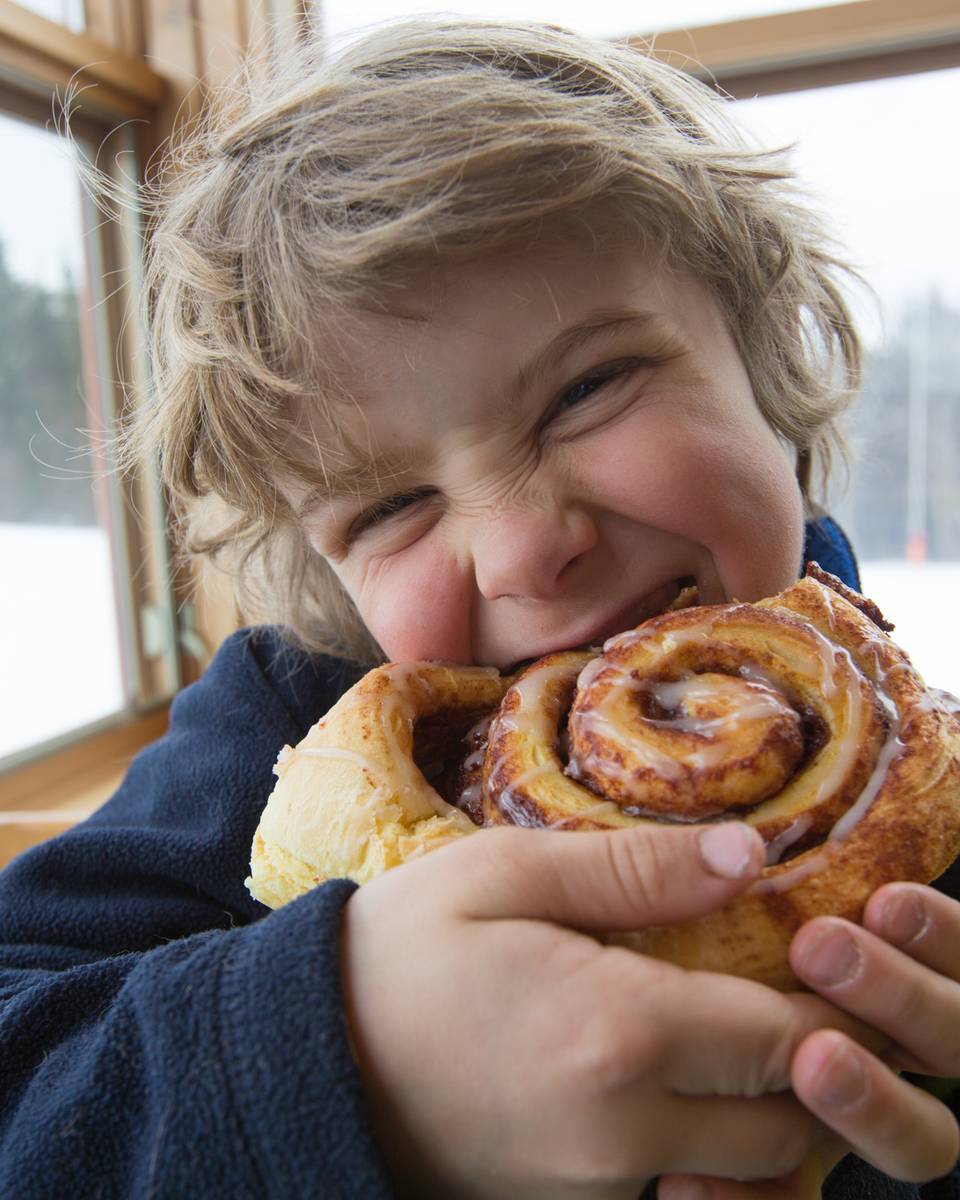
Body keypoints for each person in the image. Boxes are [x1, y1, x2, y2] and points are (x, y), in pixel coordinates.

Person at [1, 16, 958, 1199]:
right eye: (394, 504)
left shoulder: (906, 769)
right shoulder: (284, 734)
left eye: (589, 387)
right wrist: (348, 1059)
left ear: (764, 367)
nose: (520, 550)